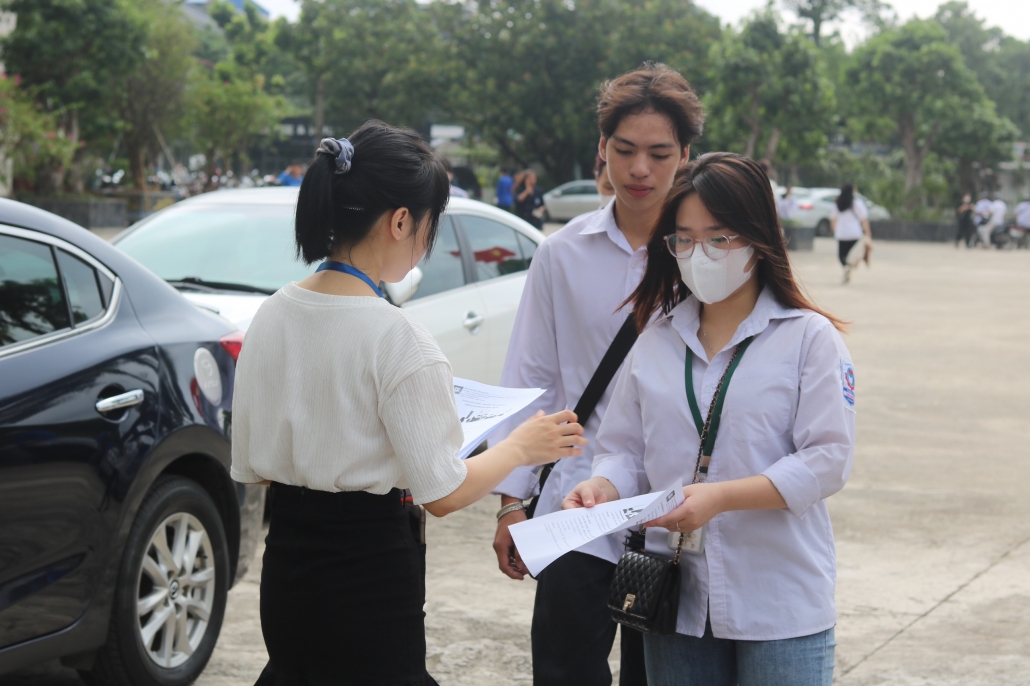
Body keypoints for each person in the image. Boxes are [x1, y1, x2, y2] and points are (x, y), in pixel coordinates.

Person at [230, 121, 587, 686]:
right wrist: (520, 446)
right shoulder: (397, 336)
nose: (426, 240)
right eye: (428, 226)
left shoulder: (272, 313)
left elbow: (256, 467)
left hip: (289, 566)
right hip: (368, 570)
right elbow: (443, 493)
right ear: (400, 221)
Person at [564, 153, 854, 686]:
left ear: (758, 239)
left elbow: (828, 459)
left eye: (719, 238)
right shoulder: (656, 340)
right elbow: (624, 448)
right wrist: (602, 485)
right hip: (677, 599)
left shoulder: (808, 339)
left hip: (778, 598)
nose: (701, 254)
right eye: (685, 239)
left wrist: (722, 497)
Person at [491, 63, 704, 686]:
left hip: (669, 510)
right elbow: (530, 376)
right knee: (564, 674)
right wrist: (511, 501)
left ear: (685, 155)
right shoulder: (563, 253)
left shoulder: (708, 256)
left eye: (660, 154)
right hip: (574, 505)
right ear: (602, 152)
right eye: (625, 150)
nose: (640, 170)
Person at [830, 183, 871, 284]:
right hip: (854, 233)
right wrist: (868, 232)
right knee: (853, 254)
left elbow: (832, 218)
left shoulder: (838, 202)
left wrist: (834, 229)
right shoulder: (857, 203)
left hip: (842, 233)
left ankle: (846, 267)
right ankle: (849, 267)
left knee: (842, 255)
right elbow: (863, 219)